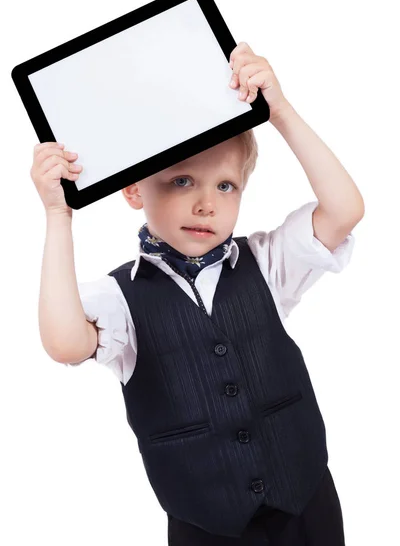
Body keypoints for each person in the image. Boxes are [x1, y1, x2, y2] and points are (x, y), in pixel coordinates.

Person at [31, 42, 364, 545]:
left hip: (307, 504)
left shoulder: (266, 264)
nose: (207, 204)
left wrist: (282, 112)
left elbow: (344, 211)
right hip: (206, 525)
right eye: (182, 180)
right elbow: (63, 342)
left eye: (226, 185)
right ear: (134, 190)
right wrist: (59, 216)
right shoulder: (119, 300)